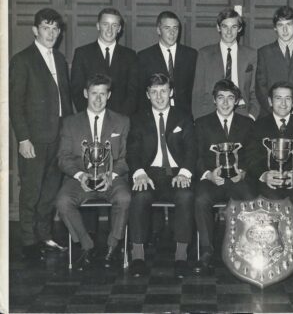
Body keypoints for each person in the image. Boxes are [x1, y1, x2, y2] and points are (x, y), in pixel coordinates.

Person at [9, 8, 73, 261]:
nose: (51, 33)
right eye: (46, 28)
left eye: (55, 28)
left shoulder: (59, 59)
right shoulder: (22, 60)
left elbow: (64, 100)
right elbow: (15, 104)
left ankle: (44, 235)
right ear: (35, 30)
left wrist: (68, 135)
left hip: (58, 137)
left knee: (49, 192)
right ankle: (28, 240)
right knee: (31, 191)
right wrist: (23, 139)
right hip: (34, 140)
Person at [55, 74, 131, 270]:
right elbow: (63, 158)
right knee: (63, 202)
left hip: (110, 177)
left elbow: (126, 158)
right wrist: (81, 176)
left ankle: (112, 246)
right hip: (79, 178)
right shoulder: (70, 123)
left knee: (124, 198)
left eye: (103, 94)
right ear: (85, 94)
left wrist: (111, 175)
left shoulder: (122, 122)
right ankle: (86, 245)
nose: (98, 99)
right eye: (94, 93)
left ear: (109, 95)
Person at [126, 73, 196, 278]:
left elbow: (192, 149)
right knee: (139, 196)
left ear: (171, 92)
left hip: (177, 174)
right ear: (147, 95)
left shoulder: (183, 116)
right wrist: (139, 174)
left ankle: (181, 256)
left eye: (163, 91)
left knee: (185, 196)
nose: (159, 97)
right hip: (150, 175)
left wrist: (184, 173)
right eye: (154, 92)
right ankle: (137, 257)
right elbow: (133, 151)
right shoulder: (138, 119)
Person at [193, 79, 257, 275]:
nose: (226, 103)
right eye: (221, 98)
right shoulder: (202, 123)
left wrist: (243, 171)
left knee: (249, 196)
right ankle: (206, 250)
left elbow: (253, 155)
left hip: (238, 179)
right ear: (214, 100)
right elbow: (196, 155)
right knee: (201, 198)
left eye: (231, 98)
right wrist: (208, 174)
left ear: (237, 101)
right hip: (213, 180)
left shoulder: (247, 124)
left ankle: (247, 250)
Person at [246, 81, 293, 259]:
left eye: (287, 99)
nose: (283, 104)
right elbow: (251, 156)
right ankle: (272, 245)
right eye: (278, 99)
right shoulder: (258, 125)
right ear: (269, 101)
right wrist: (265, 174)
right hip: (268, 180)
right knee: (272, 200)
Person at [192, 7, 259, 120]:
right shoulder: (205, 54)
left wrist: (252, 116)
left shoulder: (251, 54)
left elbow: (256, 91)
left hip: (242, 113)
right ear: (218, 27)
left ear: (240, 29)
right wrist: (199, 120)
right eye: (225, 26)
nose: (229, 32)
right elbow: (198, 93)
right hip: (211, 113)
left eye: (234, 27)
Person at [71, 7, 139, 116]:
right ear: (98, 26)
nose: (109, 29)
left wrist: (120, 120)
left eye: (114, 25)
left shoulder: (130, 56)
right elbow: (77, 91)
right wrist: (91, 116)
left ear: (119, 29)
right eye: (105, 24)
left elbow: (133, 93)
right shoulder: (82, 53)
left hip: (121, 121)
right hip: (91, 119)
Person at [137, 11, 198, 114]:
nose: (172, 33)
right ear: (158, 30)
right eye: (167, 28)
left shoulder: (191, 55)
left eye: (175, 28)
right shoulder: (144, 56)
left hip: (184, 114)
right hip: (154, 114)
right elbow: (140, 93)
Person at [256, 6, 293, 117]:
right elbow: (260, 88)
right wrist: (274, 111)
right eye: (280, 25)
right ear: (275, 28)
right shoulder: (264, 53)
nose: (285, 30)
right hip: (270, 115)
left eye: (288, 24)